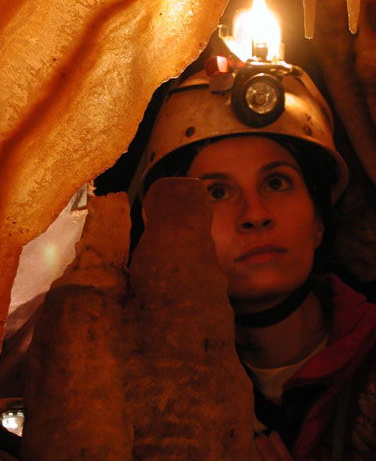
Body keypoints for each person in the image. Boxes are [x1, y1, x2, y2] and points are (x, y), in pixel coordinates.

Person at [138, 59, 376, 460]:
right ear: (175, 238)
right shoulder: (146, 389)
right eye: (216, 193)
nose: (255, 214)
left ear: (319, 221)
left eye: (277, 182)